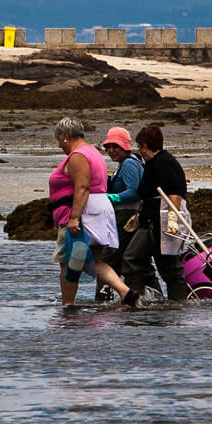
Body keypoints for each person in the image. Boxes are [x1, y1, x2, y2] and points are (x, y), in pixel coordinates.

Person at [48, 117, 133, 305]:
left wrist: (74, 218)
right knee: (89, 261)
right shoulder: (92, 152)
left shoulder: (79, 155)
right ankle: (125, 292)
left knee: (68, 262)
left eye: (59, 141)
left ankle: (67, 305)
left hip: (82, 215)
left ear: (65, 137)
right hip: (96, 212)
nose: (60, 146)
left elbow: (83, 187)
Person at [120, 124, 189, 305]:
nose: (139, 151)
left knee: (134, 259)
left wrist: (172, 222)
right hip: (152, 219)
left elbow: (174, 193)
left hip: (160, 221)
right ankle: (158, 300)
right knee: (166, 264)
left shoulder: (163, 163)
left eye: (139, 146)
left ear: (144, 145)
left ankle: (139, 301)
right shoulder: (155, 163)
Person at [93, 125, 143, 299]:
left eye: (116, 146)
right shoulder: (125, 163)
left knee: (107, 260)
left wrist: (109, 198)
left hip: (126, 220)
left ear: (125, 147)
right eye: (108, 147)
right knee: (129, 261)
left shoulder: (129, 164)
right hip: (124, 219)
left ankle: (102, 301)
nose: (111, 150)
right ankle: (138, 297)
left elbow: (134, 192)